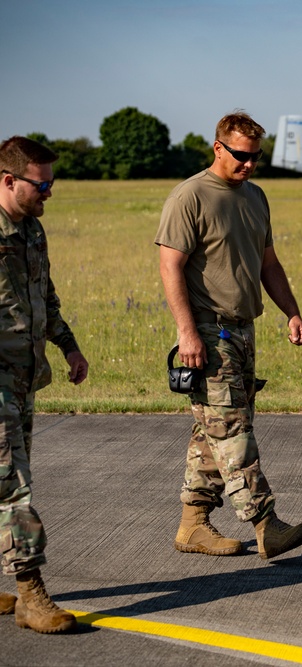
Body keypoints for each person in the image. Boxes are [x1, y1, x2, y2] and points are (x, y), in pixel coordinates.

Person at [156, 111, 302, 560]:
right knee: (233, 432)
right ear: (218, 148)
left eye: (256, 157)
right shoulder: (190, 196)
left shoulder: (256, 197)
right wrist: (187, 333)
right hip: (208, 330)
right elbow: (170, 266)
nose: (248, 165)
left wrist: (292, 312)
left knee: (214, 430)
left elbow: (269, 264)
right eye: (241, 156)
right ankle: (266, 523)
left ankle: (193, 526)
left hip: (244, 331)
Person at [0, 137, 89, 634]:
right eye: (42, 183)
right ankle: (31, 593)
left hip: (22, 377)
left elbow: (44, 298)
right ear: (9, 180)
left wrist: (68, 345)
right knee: (14, 487)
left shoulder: (32, 231)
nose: (49, 192)